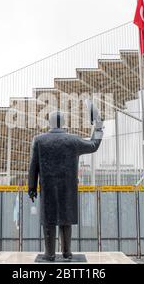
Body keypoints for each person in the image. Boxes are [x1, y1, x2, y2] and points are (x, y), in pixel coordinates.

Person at [28, 108, 104, 261]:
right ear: (63, 122)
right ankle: (67, 253)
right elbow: (94, 145)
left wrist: (31, 187)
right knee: (65, 219)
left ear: (49, 122)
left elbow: (33, 166)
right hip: (68, 188)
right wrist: (98, 127)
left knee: (49, 220)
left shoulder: (39, 140)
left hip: (47, 187)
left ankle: (49, 254)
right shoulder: (73, 140)